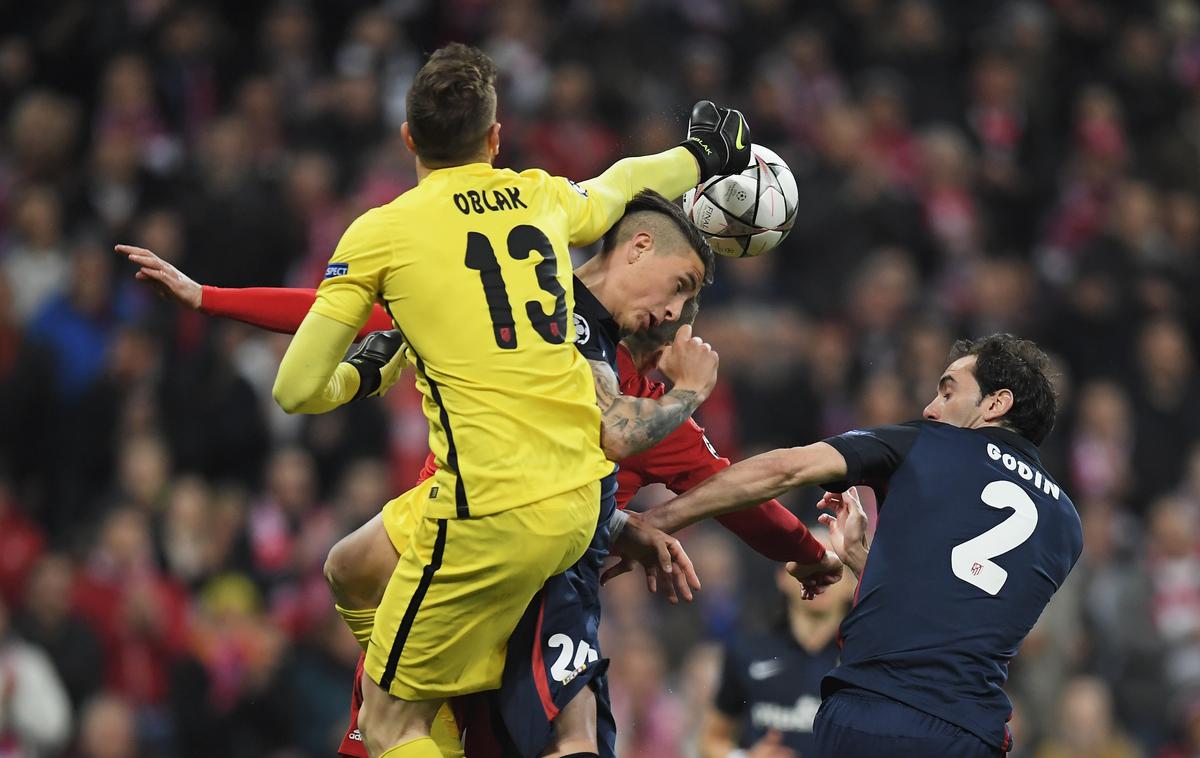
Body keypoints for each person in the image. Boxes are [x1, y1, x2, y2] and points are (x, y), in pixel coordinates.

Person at [116, 200, 841, 758]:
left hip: (494, 568)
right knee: (383, 638)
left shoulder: (636, 395)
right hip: (475, 559)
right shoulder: (539, 303)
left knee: (399, 694)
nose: (671, 315)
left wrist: (800, 553)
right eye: (674, 298)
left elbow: (739, 491)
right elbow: (351, 311)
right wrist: (212, 297)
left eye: (680, 310)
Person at [259, 39, 751, 757]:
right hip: (579, 497)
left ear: (408, 140)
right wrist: (706, 156)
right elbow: (622, 182)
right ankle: (443, 685)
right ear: (494, 138)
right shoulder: (537, 195)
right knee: (353, 565)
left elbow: (295, 390)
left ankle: (436, 716)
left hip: (488, 510)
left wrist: (365, 375)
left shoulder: (382, 232)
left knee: (387, 720)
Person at [641, 334, 1084, 758]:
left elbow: (782, 469)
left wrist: (655, 520)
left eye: (948, 393)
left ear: (996, 403)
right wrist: (864, 561)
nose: (930, 408)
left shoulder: (927, 443)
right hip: (973, 734)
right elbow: (959, 612)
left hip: (875, 714)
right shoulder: (1066, 525)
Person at [702, 529, 856, 758]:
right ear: (782, 577)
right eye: (808, 563)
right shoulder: (746, 651)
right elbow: (710, 740)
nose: (819, 576)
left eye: (833, 567)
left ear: (853, 585)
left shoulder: (865, 662)